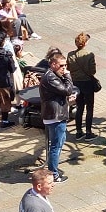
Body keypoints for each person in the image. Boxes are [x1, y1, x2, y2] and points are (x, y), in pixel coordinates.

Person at [40, 52, 74, 183]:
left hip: (56, 115)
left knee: (58, 143)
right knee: (56, 146)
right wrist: (68, 76)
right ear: (53, 64)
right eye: (61, 65)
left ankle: (53, 170)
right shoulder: (50, 77)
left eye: (65, 65)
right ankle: (53, 174)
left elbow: (61, 92)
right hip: (55, 117)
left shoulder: (53, 75)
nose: (64, 68)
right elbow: (67, 90)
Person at [66, 32, 97, 141]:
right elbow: (93, 71)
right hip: (87, 83)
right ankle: (88, 132)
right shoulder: (89, 55)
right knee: (89, 108)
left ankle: (79, 132)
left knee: (79, 107)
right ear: (85, 43)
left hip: (76, 84)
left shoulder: (70, 55)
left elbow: (68, 68)